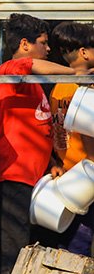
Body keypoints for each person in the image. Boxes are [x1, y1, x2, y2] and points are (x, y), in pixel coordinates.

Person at [0, 13, 81, 274]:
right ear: (25, 44)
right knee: (11, 250)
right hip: (12, 175)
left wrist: (52, 160)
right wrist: (75, 73)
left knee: (32, 246)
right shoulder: (9, 70)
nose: (48, 49)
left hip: (35, 178)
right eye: (43, 42)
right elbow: (27, 63)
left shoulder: (33, 84)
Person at [48, 21, 94, 255]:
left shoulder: (59, 86)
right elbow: (88, 135)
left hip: (67, 172)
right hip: (88, 174)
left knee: (70, 242)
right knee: (81, 242)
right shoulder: (87, 88)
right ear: (85, 52)